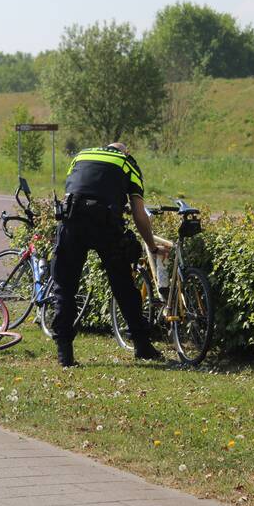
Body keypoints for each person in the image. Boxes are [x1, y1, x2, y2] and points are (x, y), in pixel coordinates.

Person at [50, 142, 169, 367]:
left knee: (64, 287)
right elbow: (138, 213)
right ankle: (142, 346)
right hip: (105, 224)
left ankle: (65, 354)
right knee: (123, 285)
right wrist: (151, 246)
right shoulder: (127, 162)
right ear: (126, 151)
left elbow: (75, 188)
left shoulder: (81, 155)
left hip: (71, 221)